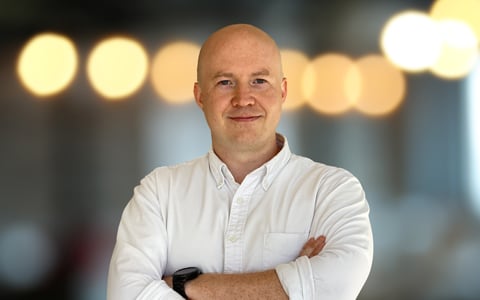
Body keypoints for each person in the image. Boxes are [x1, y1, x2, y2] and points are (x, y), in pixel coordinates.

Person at [107, 23, 373, 300]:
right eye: (225, 83)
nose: (243, 99)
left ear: (282, 91)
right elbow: (128, 295)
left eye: (259, 81)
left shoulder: (332, 190)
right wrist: (294, 282)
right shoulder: (159, 193)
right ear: (200, 96)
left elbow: (335, 287)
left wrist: (185, 286)